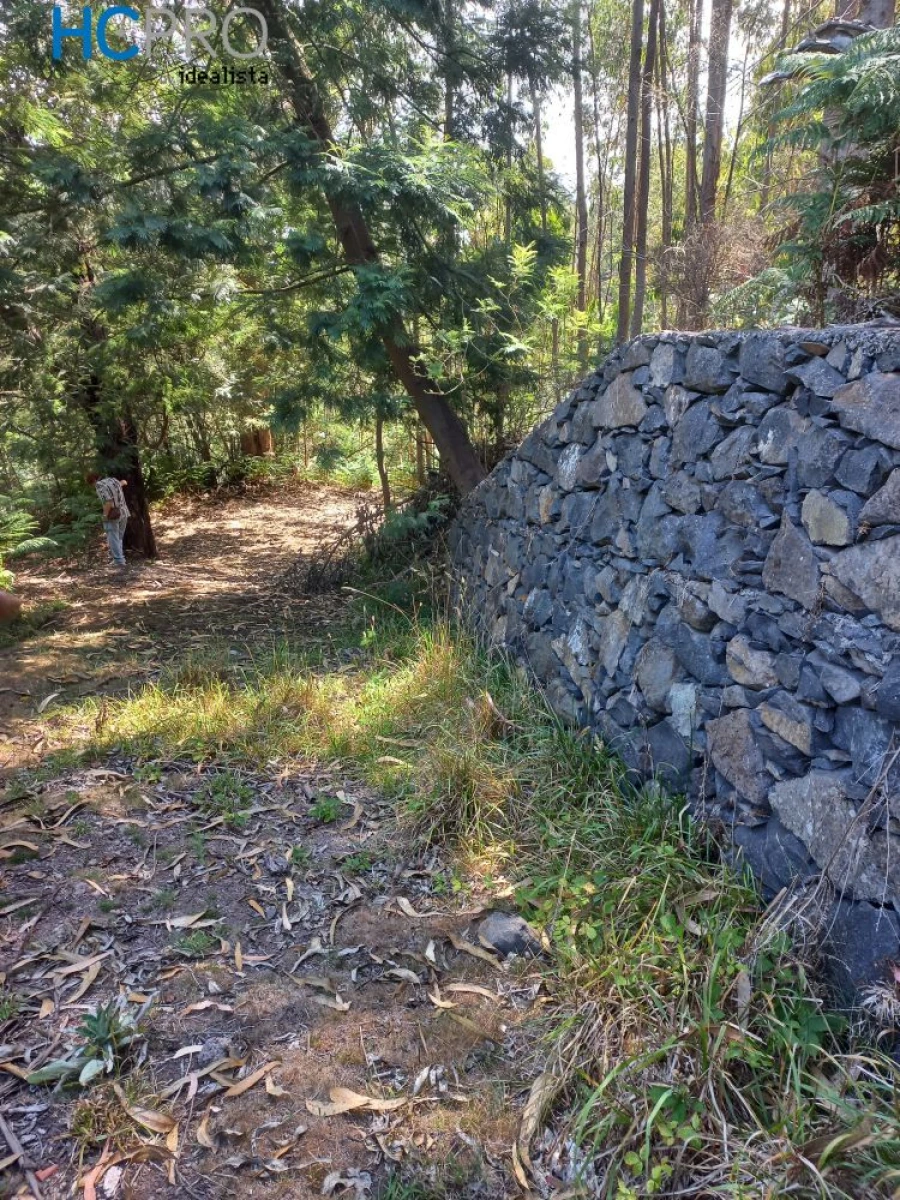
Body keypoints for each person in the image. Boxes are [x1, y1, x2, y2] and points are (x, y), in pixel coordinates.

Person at [86, 471, 130, 569]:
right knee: (119, 537)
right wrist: (120, 485)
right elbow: (123, 482)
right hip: (124, 512)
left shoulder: (99, 486)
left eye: (91, 484)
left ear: (93, 481)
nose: (92, 486)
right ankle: (120, 559)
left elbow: (108, 502)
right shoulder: (113, 480)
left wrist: (105, 516)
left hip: (113, 515)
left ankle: (119, 561)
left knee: (113, 538)